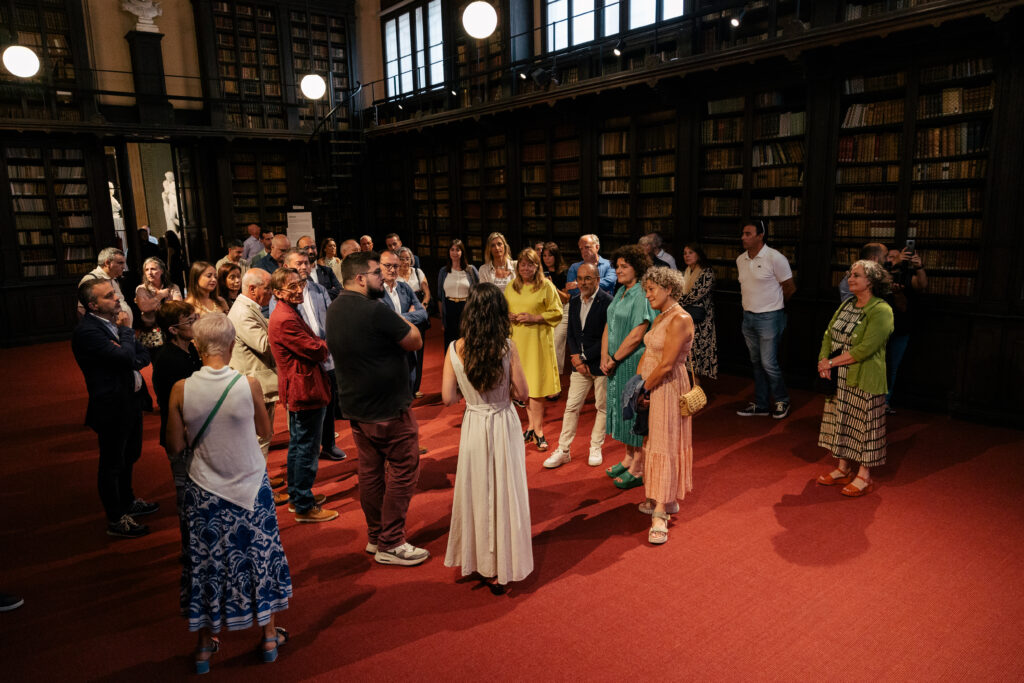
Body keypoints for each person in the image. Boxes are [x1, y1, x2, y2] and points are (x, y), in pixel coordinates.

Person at [164, 313, 291, 674]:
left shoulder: (180, 389)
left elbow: (174, 445)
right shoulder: (247, 384)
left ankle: (204, 647)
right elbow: (264, 431)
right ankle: (268, 637)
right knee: (259, 558)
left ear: (196, 346)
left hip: (204, 488)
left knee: (206, 563)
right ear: (232, 344)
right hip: (250, 485)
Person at [326, 251, 428, 566]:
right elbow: (414, 339)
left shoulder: (335, 308)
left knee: (370, 474)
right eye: (375, 273)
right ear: (359, 278)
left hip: (357, 409)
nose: (382, 278)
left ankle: (376, 536)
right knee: (403, 470)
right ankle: (392, 541)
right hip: (388, 410)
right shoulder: (375, 310)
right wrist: (394, 314)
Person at [441, 283, 533, 593]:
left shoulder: (454, 348)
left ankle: (480, 561)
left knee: (477, 492)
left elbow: (446, 398)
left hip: (474, 424)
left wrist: (470, 395)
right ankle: (502, 565)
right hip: (503, 422)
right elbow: (524, 393)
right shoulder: (506, 347)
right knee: (505, 492)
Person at [72, 278, 157, 538]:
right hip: (111, 406)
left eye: (114, 293)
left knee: (130, 455)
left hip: (130, 401)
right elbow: (125, 356)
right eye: (109, 296)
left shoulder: (112, 325)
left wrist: (127, 351)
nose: (116, 298)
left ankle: (128, 500)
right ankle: (116, 518)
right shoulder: (88, 332)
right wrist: (127, 334)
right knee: (111, 463)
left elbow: (142, 355)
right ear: (92, 305)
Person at [816, 260, 894, 497]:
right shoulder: (848, 304)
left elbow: (865, 349)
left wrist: (830, 362)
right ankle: (843, 468)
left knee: (864, 428)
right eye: (850, 275)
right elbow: (829, 333)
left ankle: (864, 476)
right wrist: (823, 360)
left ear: (871, 281)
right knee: (840, 422)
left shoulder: (881, 310)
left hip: (865, 379)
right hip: (839, 377)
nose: (850, 279)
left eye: (857, 275)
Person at [268, 267, 338, 523]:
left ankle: (298, 497)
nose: (299, 290)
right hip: (303, 389)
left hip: (302, 386)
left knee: (299, 446)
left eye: (300, 284)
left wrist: (320, 345)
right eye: (292, 287)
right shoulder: (284, 317)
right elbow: (316, 350)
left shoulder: (288, 311)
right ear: (277, 293)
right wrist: (326, 345)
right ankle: (304, 506)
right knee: (306, 448)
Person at [637, 267, 694, 545]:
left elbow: (668, 364)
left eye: (651, 289)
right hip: (651, 385)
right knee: (652, 440)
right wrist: (636, 385)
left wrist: (644, 387)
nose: (647, 294)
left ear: (668, 289)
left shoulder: (680, 319)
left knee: (665, 444)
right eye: (646, 289)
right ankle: (660, 497)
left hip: (667, 388)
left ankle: (661, 513)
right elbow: (649, 351)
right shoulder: (662, 316)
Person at [272, 249, 347, 463]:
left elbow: (331, 318)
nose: (304, 267)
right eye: (299, 264)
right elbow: (295, 338)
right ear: (286, 267)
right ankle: (301, 491)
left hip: (326, 357)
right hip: (304, 366)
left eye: (307, 263)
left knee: (329, 402)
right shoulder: (282, 302)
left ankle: (329, 445)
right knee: (304, 435)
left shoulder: (318, 289)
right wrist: (320, 346)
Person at [543, 263, 612, 469]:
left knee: (602, 407)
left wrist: (583, 357)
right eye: (580, 278)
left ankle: (595, 446)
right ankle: (563, 450)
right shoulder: (573, 301)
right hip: (579, 365)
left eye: (588, 278)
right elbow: (572, 333)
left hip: (600, 364)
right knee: (571, 407)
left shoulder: (608, 302)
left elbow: (608, 337)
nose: (583, 282)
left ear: (597, 280)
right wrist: (575, 357)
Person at [601, 245, 655, 489]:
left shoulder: (642, 293)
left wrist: (615, 358)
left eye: (625, 266)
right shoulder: (621, 290)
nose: (619, 270)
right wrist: (605, 356)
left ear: (638, 268)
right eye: (617, 266)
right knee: (621, 410)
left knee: (633, 413)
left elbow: (638, 332)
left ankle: (639, 467)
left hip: (632, 361)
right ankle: (628, 457)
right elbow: (608, 325)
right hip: (615, 361)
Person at [151, 300, 201, 558]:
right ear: (173, 330)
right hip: (180, 435)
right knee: (186, 498)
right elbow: (173, 404)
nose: (195, 324)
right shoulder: (167, 359)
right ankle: (189, 551)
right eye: (189, 321)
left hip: (195, 432)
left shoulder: (190, 348)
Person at [227, 269, 282, 490]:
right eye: (268, 288)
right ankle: (259, 487)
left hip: (257, 382)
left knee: (261, 436)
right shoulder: (242, 312)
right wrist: (285, 329)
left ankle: (261, 479)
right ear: (252, 289)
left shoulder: (249, 308)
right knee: (260, 437)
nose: (271, 293)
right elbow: (264, 344)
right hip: (253, 383)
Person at [736, 222, 795, 419]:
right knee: (756, 363)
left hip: (770, 316)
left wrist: (776, 306)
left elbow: (789, 287)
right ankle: (761, 404)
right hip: (748, 316)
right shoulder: (740, 259)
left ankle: (781, 400)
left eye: (748, 234)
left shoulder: (775, 258)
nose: (743, 237)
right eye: (743, 234)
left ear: (760, 236)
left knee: (768, 363)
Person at [505, 248, 563, 452]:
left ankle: (538, 431)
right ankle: (530, 427)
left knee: (537, 387)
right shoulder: (512, 286)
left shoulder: (546, 285)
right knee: (524, 387)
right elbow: (504, 309)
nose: (526, 268)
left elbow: (557, 311)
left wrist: (534, 317)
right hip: (517, 341)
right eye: (522, 264)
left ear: (537, 266)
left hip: (537, 342)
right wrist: (509, 315)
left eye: (530, 264)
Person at [883, 245, 927, 412]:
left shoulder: (908, 276)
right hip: (880, 328)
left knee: (892, 365)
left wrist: (919, 267)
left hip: (901, 328)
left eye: (897, 256)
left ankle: (886, 400)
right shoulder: (881, 275)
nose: (894, 258)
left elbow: (922, 286)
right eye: (890, 256)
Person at [380, 249, 428, 395]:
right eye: (387, 265)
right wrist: (409, 314)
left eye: (395, 266)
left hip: (408, 349)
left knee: (409, 391)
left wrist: (400, 317)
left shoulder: (405, 288)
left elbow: (423, 314)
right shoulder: (376, 291)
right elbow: (383, 318)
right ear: (379, 266)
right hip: (388, 351)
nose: (392, 269)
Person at [678, 244, 718, 379]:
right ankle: (686, 387)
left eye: (690, 252)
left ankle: (696, 389)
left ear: (698, 254)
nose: (687, 255)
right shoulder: (685, 272)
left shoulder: (707, 272)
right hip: (685, 318)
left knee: (696, 355)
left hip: (701, 322)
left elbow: (694, 295)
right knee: (685, 354)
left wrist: (675, 303)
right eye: (685, 253)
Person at [397, 246, 431, 398]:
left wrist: (422, 307)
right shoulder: (395, 275)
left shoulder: (418, 272)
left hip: (417, 314)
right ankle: (404, 387)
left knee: (419, 350)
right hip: (401, 315)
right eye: (402, 258)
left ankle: (415, 387)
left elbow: (427, 291)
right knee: (404, 352)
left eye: (408, 258)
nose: (405, 261)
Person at [437, 239, 480, 351]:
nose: (455, 253)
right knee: (451, 344)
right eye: (452, 250)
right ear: (449, 252)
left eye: (458, 250)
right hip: (449, 308)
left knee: (467, 341)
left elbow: (478, 293)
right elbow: (440, 297)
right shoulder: (443, 271)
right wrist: (442, 320)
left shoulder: (470, 270)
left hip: (466, 308)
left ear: (462, 252)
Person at [135, 256, 183, 349]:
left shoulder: (172, 287)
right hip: (150, 333)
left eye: (153, 269)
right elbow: (144, 307)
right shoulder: (141, 289)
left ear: (162, 271)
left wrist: (152, 304)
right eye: (146, 270)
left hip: (171, 331)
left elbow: (177, 308)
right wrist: (160, 295)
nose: (149, 273)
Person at [77, 247, 133, 325]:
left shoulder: (112, 278)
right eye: (120, 263)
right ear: (107, 263)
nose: (123, 267)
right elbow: (81, 310)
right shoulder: (91, 279)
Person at [542, 241, 571, 375]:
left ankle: (556, 375)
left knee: (557, 341)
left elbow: (566, 297)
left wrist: (551, 286)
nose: (547, 259)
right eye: (544, 256)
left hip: (562, 309)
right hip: (545, 309)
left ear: (556, 256)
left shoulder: (564, 272)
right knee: (545, 342)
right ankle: (546, 374)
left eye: (550, 256)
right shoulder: (540, 273)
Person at [297, 235, 342, 300]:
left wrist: (317, 294)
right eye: (306, 248)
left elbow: (340, 291)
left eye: (313, 247)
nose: (311, 251)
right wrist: (329, 291)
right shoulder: (296, 273)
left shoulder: (327, 271)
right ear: (299, 251)